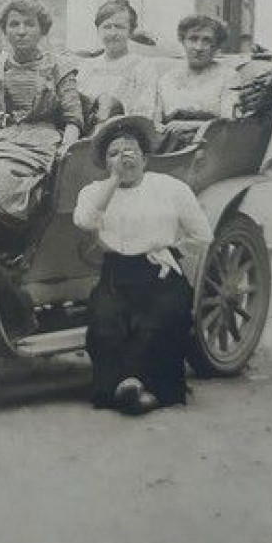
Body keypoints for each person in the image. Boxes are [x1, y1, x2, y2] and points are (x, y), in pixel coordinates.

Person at [74, 116, 212, 414]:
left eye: (131, 151)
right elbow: (85, 221)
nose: (124, 158)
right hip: (116, 273)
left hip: (159, 272)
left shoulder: (171, 188)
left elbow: (202, 235)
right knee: (104, 322)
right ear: (104, 163)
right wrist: (113, 181)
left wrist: (170, 251)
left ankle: (143, 387)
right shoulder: (94, 192)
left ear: (145, 158)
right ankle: (124, 387)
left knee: (157, 320)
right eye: (114, 154)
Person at [0, 0, 83, 260]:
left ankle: (10, 242)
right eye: (14, 25)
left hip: (43, 139)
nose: (21, 31)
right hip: (3, 138)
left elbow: (73, 116)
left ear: (41, 29)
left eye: (29, 24)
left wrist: (67, 145)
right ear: (5, 31)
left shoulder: (59, 66)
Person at [153, 12, 242, 147]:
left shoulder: (228, 76)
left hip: (209, 145)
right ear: (183, 41)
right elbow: (155, 121)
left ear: (216, 47)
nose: (198, 47)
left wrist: (189, 125)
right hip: (168, 144)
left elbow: (229, 122)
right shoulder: (167, 79)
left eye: (207, 40)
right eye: (193, 39)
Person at [74, 0, 157, 119]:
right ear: (98, 30)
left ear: (131, 31)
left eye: (119, 27)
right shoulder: (85, 67)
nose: (113, 33)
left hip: (124, 130)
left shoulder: (143, 67)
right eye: (107, 27)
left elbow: (144, 112)